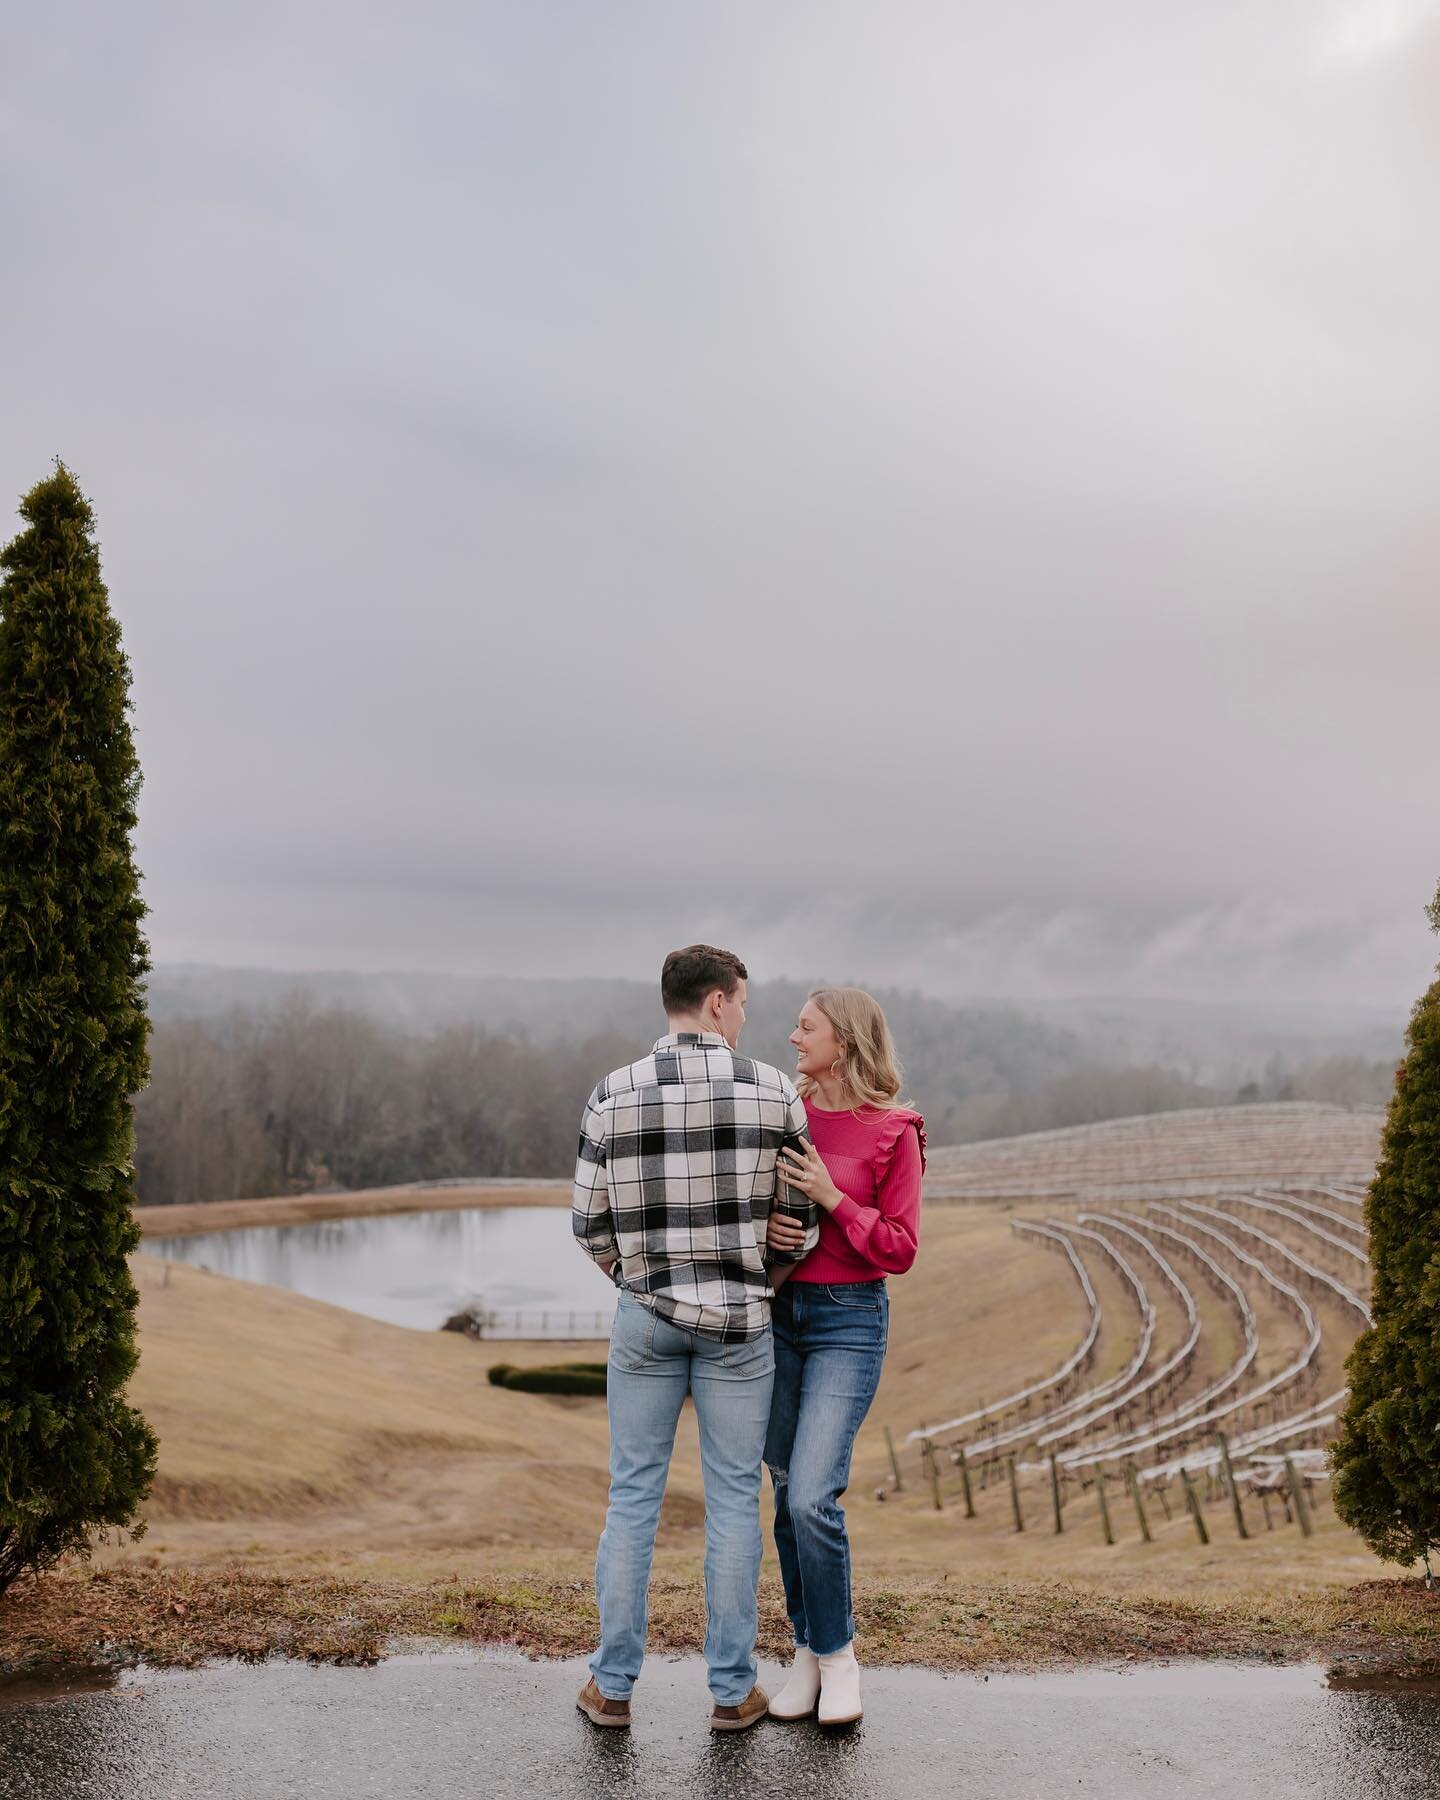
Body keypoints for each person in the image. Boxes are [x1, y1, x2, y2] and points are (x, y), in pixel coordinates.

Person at [571, 944, 819, 1732]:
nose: (748, 1016)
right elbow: (801, 1220)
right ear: (717, 1002)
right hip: (741, 1327)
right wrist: (767, 1270)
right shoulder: (774, 1091)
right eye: (742, 1002)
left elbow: (587, 1223)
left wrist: (635, 1281)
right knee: (734, 1506)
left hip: (646, 1317)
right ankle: (730, 1692)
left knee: (633, 1497)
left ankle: (612, 1689)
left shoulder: (611, 1094)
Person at [762, 987, 925, 1726]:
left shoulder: (895, 1131)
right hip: (775, 1315)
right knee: (786, 1495)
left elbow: (899, 1247)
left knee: (811, 1497)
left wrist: (833, 1197)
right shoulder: (782, 1114)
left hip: (847, 1322)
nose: (793, 1036)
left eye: (807, 1027)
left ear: (846, 1041)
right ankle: (804, 1652)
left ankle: (840, 1660)